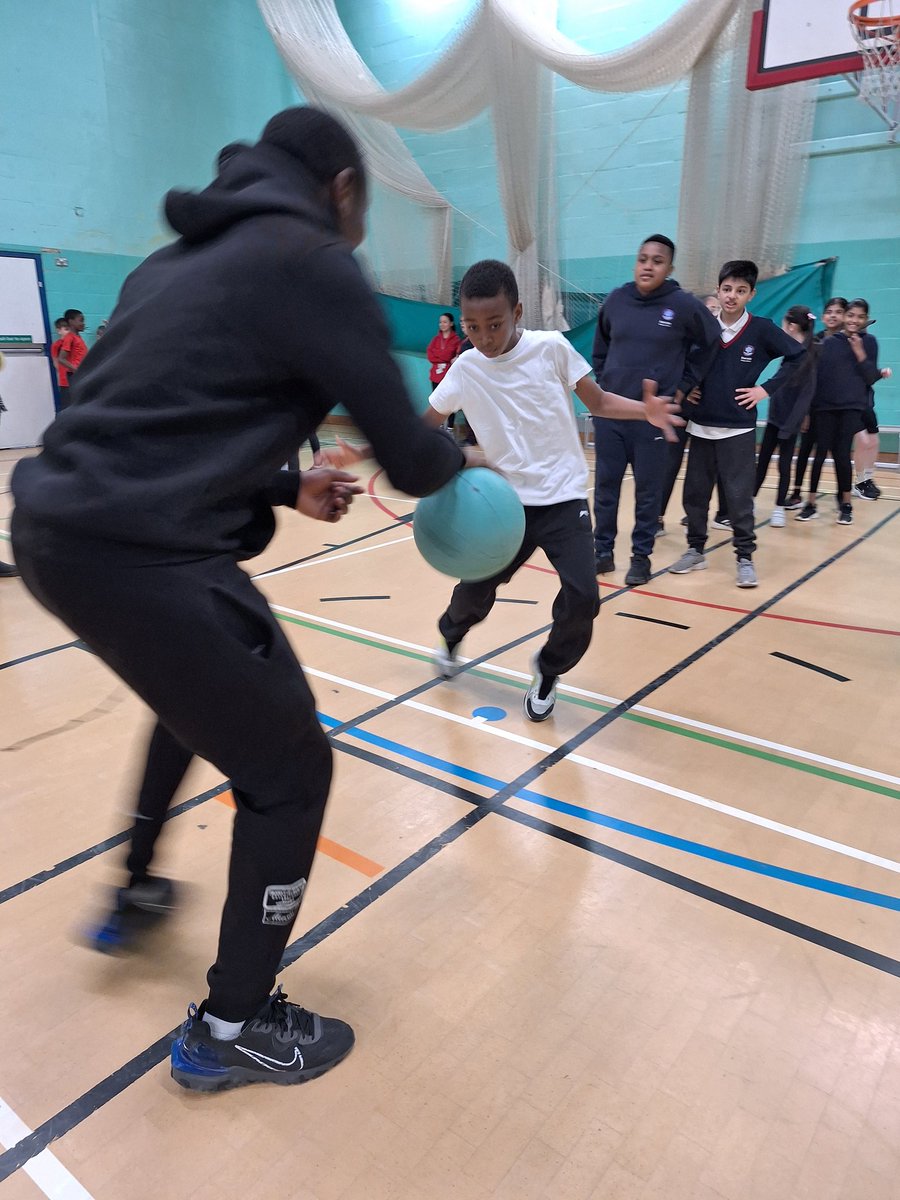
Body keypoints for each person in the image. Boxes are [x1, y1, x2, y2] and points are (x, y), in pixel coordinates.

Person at [11, 106, 473, 1093]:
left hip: (54, 533)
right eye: (359, 212)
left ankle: (133, 894)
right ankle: (232, 1027)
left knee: (197, 704)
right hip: (145, 554)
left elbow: (144, 426)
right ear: (342, 190)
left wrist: (279, 485)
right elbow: (412, 454)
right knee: (294, 768)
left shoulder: (165, 265)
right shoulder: (309, 259)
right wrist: (466, 459)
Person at [423, 258, 683, 719]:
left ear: (518, 313)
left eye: (495, 324)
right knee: (474, 595)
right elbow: (420, 430)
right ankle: (450, 633)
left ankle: (548, 667)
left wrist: (646, 412)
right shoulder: (464, 368)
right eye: (472, 326)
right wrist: (458, 456)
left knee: (584, 596)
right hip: (503, 506)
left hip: (563, 499)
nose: (483, 336)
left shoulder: (551, 349)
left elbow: (598, 401)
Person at [667, 259, 805, 587]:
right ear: (718, 290)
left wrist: (764, 389)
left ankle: (744, 555)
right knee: (695, 495)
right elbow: (680, 359)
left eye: (740, 291)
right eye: (727, 289)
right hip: (700, 427)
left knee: (739, 497)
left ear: (751, 294)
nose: (731, 296)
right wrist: (688, 390)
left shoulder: (761, 329)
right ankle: (695, 550)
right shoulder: (703, 327)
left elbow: (798, 356)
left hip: (738, 430)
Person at [591, 234, 719, 586]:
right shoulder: (616, 300)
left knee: (648, 491)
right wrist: (604, 381)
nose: (648, 265)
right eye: (642, 258)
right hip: (613, 415)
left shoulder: (683, 305)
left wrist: (684, 385)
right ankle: (602, 553)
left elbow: (711, 344)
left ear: (669, 267)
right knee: (605, 488)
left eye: (657, 261)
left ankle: (641, 558)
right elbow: (600, 347)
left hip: (654, 418)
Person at [797, 297, 882, 525]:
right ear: (845, 317)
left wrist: (859, 351)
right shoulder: (829, 342)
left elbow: (871, 377)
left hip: (851, 407)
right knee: (820, 453)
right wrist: (807, 410)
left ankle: (846, 504)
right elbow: (816, 378)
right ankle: (811, 503)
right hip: (824, 407)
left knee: (842, 455)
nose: (854, 320)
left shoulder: (870, 342)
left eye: (860, 316)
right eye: (850, 315)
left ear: (865, 319)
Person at [753, 306, 819, 526]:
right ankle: (750, 501)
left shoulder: (808, 356)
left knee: (784, 465)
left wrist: (790, 426)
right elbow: (778, 385)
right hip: (774, 419)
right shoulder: (788, 350)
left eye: (784, 324)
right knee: (761, 462)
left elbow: (804, 397)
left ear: (791, 326)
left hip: (790, 422)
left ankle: (779, 507)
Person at [785, 296, 847, 509]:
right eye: (829, 311)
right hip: (812, 405)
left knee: (837, 453)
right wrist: (806, 410)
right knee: (804, 451)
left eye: (838, 312)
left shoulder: (850, 342)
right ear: (822, 316)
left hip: (835, 409)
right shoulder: (816, 340)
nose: (833, 315)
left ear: (845, 316)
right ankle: (796, 492)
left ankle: (842, 495)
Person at [426, 312, 462, 433]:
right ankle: (439, 427)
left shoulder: (456, 340)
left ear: (451, 324)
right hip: (435, 376)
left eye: (445, 321)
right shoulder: (435, 339)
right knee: (437, 402)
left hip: (449, 376)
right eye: (440, 322)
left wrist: (440, 355)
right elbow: (430, 355)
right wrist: (444, 357)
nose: (442, 324)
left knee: (450, 401)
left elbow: (450, 355)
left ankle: (450, 428)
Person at [56, 309, 88, 405]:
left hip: (81, 374)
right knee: (75, 402)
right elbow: (61, 358)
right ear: (71, 321)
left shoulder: (77, 337)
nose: (83, 323)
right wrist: (76, 369)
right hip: (75, 375)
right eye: (81, 320)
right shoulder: (69, 338)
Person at [50, 317, 70, 402]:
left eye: (69, 329)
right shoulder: (56, 345)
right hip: (64, 379)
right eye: (66, 329)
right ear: (58, 330)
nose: (68, 332)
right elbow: (55, 362)